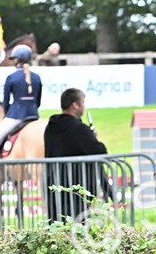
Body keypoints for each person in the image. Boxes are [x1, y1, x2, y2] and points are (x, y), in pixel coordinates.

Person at [44, 87, 109, 222]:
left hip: (54, 188)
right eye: (83, 102)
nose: (84, 107)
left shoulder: (51, 127)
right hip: (76, 191)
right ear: (75, 105)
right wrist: (92, 137)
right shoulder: (78, 129)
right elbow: (99, 150)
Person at [0, 45, 42, 160]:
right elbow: (38, 102)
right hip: (34, 115)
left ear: (16, 60)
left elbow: (6, 103)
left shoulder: (11, 78)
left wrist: (7, 114)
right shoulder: (37, 78)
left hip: (16, 115)